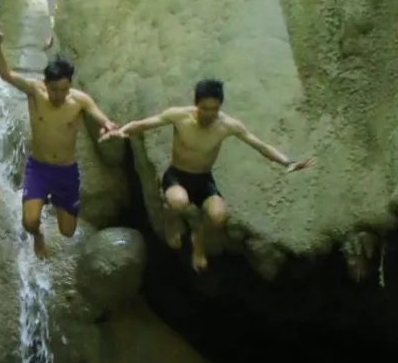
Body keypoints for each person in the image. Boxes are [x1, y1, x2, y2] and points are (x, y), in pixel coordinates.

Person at [101, 78, 314, 272]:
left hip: (203, 179)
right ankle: (170, 221)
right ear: (196, 105)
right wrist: (121, 131)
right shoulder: (179, 116)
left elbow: (260, 145)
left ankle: (198, 241)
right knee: (178, 202)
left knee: (219, 216)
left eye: (214, 109)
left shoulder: (227, 126)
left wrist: (288, 162)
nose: (209, 114)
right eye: (204, 108)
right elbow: (144, 124)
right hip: (177, 175)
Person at [0, 28, 118, 258]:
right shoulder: (35, 91)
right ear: (45, 84)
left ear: (70, 85)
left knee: (67, 231)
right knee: (29, 221)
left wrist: (108, 125)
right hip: (39, 168)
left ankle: (56, 202)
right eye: (54, 90)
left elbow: (100, 116)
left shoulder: (79, 100)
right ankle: (38, 235)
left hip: (66, 172)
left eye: (64, 89)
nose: (59, 95)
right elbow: (5, 74)